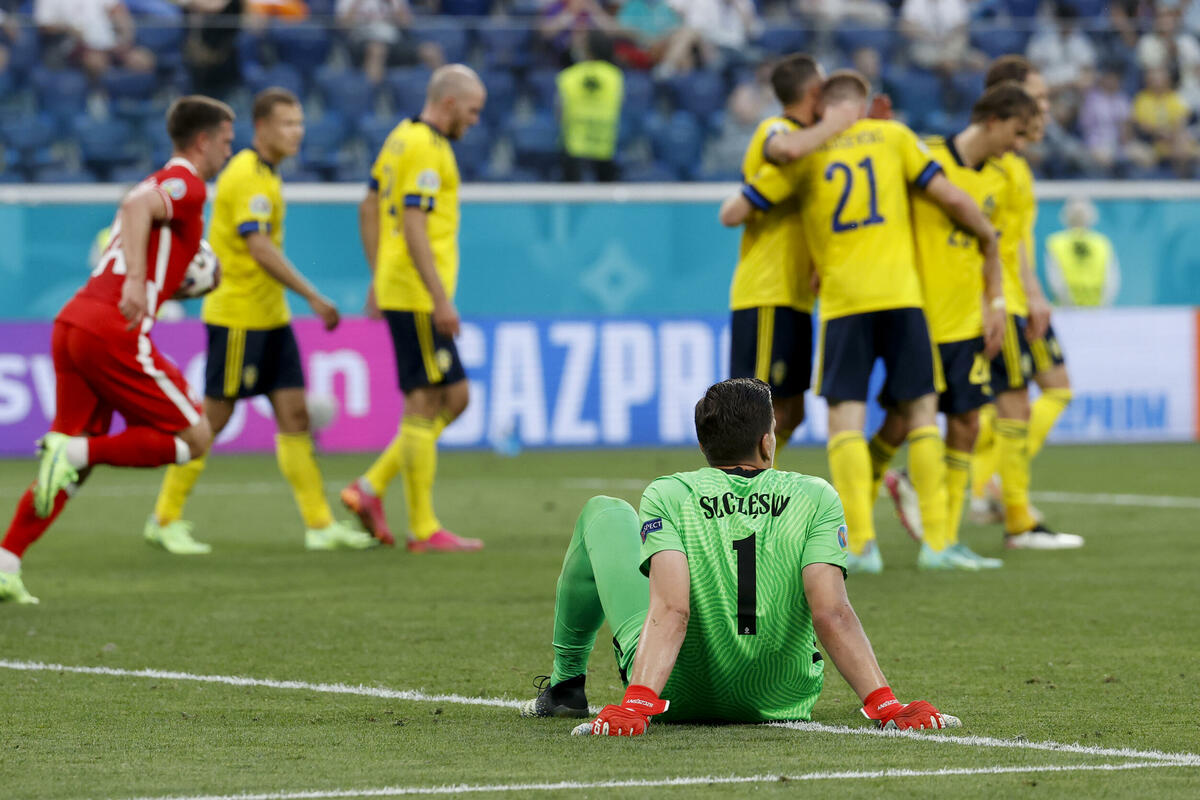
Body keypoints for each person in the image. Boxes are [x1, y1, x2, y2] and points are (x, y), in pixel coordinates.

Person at [519, 378, 961, 735]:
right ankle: (570, 687)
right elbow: (832, 612)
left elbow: (672, 609)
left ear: (704, 447)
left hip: (672, 693)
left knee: (605, 511)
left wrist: (636, 704)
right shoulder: (815, 496)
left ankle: (566, 686)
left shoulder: (669, 493)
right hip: (783, 696)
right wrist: (885, 704)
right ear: (767, 443)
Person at [0, 96, 235, 605]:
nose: (228, 151)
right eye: (226, 141)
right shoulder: (187, 182)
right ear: (203, 140)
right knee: (194, 437)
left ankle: (6, 561)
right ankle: (73, 450)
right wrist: (135, 282)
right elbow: (135, 206)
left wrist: (163, 283)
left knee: (71, 466)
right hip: (113, 330)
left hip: (75, 322)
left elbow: (139, 226)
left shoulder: (164, 186)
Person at [767, 70, 1000, 575]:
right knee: (922, 413)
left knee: (845, 420)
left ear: (823, 104)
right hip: (901, 297)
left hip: (844, 300)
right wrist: (987, 233)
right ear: (865, 101)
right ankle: (937, 544)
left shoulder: (811, 149)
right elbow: (950, 196)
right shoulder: (895, 137)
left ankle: (860, 546)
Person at [145, 88, 376, 555]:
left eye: (300, 122)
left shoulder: (266, 174)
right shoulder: (248, 175)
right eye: (288, 123)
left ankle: (320, 525)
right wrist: (313, 296)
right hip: (239, 318)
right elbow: (260, 249)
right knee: (213, 418)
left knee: (294, 416)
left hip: (271, 319)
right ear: (263, 127)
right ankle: (164, 519)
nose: (298, 132)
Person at [867, 83, 1039, 570]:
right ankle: (852, 522)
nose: (1018, 145)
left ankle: (942, 541)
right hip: (916, 316)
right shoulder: (925, 155)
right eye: (1016, 132)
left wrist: (996, 303)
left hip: (967, 320)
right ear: (993, 119)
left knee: (966, 423)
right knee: (898, 424)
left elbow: (993, 247)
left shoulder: (1001, 178)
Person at [341, 65, 487, 553]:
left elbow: (367, 206)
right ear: (449, 103)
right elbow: (413, 222)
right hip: (419, 292)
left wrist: (378, 275)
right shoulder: (426, 146)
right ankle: (423, 528)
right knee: (426, 400)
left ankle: (371, 485)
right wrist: (440, 298)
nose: (475, 120)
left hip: (402, 284)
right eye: (472, 111)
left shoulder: (399, 137)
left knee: (455, 397)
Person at [968, 56, 1082, 550]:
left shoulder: (1013, 164)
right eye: (1038, 98)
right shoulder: (993, 165)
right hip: (1001, 300)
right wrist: (1014, 296)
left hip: (1015, 295)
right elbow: (996, 244)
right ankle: (998, 497)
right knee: (1015, 401)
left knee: (1021, 398)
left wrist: (1033, 292)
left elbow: (1016, 242)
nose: (1045, 108)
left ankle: (990, 489)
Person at [716, 54, 856, 446]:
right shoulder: (778, 129)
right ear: (813, 91)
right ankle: (739, 482)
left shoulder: (815, 147)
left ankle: (757, 475)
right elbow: (784, 150)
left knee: (792, 411)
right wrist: (835, 123)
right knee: (757, 410)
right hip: (767, 291)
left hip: (797, 296)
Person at [557, 30, 624, 183]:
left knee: (573, 195)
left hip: (574, 146)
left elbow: (559, 112)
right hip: (605, 145)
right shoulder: (615, 76)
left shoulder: (568, 76)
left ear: (587, 49)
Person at [1045, 195, 1120, 307]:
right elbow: (1112, 281)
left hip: (1066, 309)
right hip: (1095, 309)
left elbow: (1055, 281)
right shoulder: (1101, 242)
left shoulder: (1056, 242)